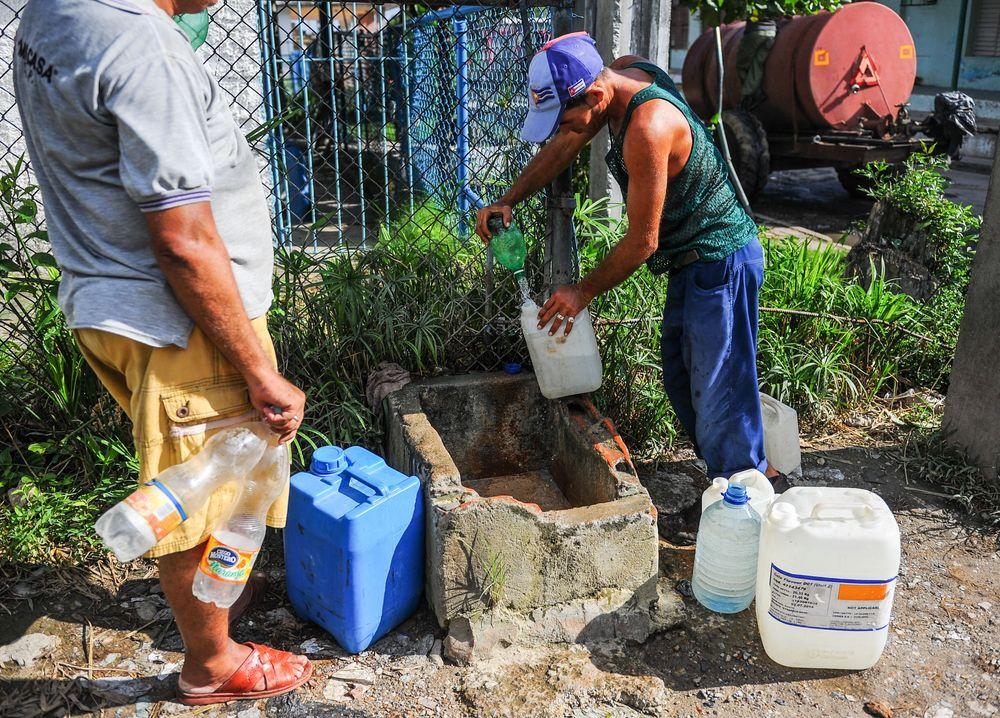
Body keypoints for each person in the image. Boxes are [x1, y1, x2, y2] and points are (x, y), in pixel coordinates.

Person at [14, 0, 311, 705]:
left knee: (198, 476)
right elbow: (182, 239)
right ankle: (211, 663)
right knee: (199, 489)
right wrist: (259, 371)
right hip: (177, 321)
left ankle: (213, 603)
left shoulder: (54, 11)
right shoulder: (145, 47)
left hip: (112, 297)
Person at [476, 32, 781, 484]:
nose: (564, 129)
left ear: (596, 95)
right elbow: (566, 145)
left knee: (721, 393)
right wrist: (509, 199)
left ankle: (753, 490)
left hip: (722, 259)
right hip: (692, 262)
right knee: (683, 382)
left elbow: (643, 241)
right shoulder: (622, 74)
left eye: (565, 118)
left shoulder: (648, 128)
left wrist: (582, 292)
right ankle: (734, 479)